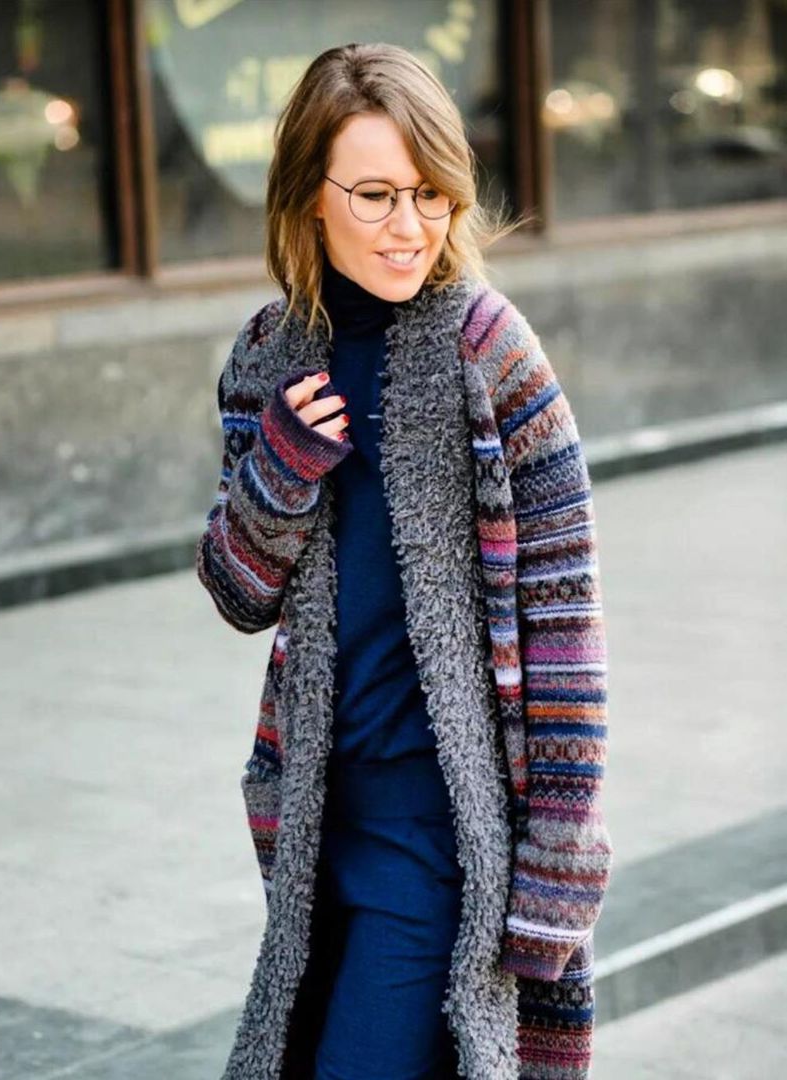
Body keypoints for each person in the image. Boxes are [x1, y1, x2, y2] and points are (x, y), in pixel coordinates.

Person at [196, 42, 613, 1080]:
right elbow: (238, 593)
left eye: (430, 194)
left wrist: (560, 860)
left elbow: (564, 617)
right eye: (376, 195)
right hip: (313, 815)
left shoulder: (487, 350)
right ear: (310, 197)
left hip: (442, 825)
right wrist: (279, 468)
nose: (409, 226)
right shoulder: (266, 355)